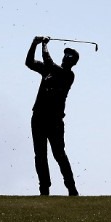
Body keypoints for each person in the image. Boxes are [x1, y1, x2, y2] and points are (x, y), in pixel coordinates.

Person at [25, 36, 80, 196]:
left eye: (70, 57)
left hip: (54, 120)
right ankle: (44, 189)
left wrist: (43, 45)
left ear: (73, 62)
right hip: (38, 117)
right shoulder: (49, 70)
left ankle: (71, 188)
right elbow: (29, 62)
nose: (66, 58)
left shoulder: (68, 76)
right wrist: (33, 44)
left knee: (59, 154)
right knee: (40, 155)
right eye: (65, 55)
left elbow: (48, 61)